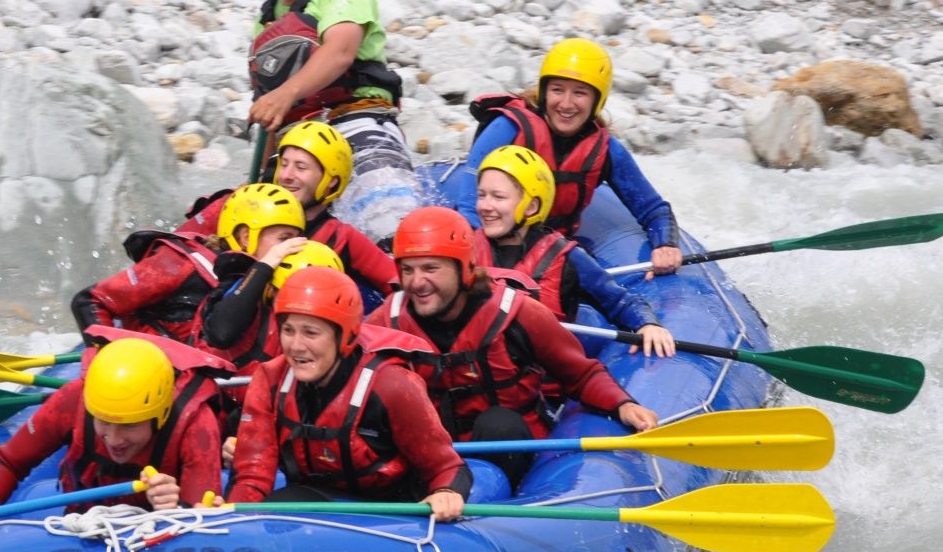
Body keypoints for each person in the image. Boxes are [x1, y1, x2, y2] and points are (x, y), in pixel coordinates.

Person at [370, 207, 658, 486]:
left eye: (431, 268)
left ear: (465, 268)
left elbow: (580, 375)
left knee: (498, 424)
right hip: (435, 455)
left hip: (506, 448)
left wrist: (623, 405)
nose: (417, 282)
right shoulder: (387, 320)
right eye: (407, 270)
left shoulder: (519, 314)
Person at [224, 266, 474, 522]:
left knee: (289, 500)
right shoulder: (269, 380)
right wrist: (231, 522)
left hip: (396, 519)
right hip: (316, 505)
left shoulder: (392, 385)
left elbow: (448, 467)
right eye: (288, 330)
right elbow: (252, 476)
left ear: (346, 335)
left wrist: (446, 491)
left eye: (311, 332)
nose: (296, 346)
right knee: (286, 501)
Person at [243, 0, 421, 242]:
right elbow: (270, 110)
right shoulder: (267, 18)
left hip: (356, 121)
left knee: (393, 231)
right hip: (298, 142)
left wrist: (285, 94)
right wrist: (260, 182)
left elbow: (340, 51)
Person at [445, 38, 684, 277]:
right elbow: (468, 206)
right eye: (557, 90)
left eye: (580, 93)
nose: (566, 104)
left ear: (596, 100)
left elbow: (653, 209)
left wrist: (665, 244)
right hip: (496, 244)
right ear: (545, 92)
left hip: (552, 249)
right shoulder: (507, 129)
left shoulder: (607, 150)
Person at [0, 336, 228, 529]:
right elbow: (10, 461)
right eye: (103, 421)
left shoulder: (195, 425)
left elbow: (198, 524)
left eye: (129, 424)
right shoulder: (73, 400)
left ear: (160, 414)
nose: (114, 439)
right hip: (83, 528)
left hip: (152, 535)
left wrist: (172, 508)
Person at [474, 146, 676, 358]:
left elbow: (618, 301)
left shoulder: (567, 258)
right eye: (481, 195)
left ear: (531, 206)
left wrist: (647, 324)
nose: (485, 206)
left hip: (540, 378)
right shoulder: (466, 249)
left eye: (498, 197)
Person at [178, 120, 397, 296]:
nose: (286, 176)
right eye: (284, 164)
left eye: (300, 167)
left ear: (331, 181)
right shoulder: (245, 203)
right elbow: (180, 246)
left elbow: (398, 284)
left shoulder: (342, 238)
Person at [198, 238, 346, 375]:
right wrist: (264, 266)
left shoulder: (337, 326)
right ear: (271, 291)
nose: (303, 309)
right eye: (293, 298)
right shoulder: (248, 305)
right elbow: (221, 333)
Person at [69, 219, 223, 346]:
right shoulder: (178, 265)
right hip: (142, 367)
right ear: (243, 236)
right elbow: (88, 300)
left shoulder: (242, 281)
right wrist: (107, 360)